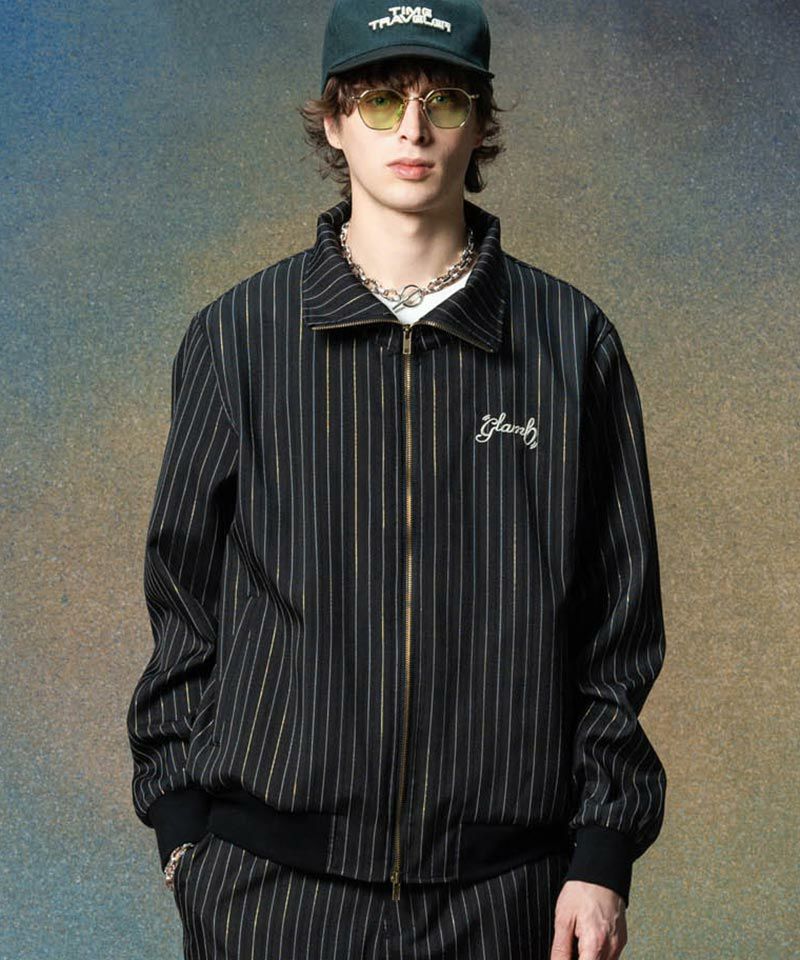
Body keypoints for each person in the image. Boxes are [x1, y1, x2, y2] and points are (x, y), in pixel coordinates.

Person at [126, 1, 667, 957]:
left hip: (506, 895)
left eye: (443, 101)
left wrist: (601, 856)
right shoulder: (239, 337)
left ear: (479, 124)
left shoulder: (570, 340)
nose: (412, 130)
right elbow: (184, 603)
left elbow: (617, 622)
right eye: (380, 101)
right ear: (336, 123)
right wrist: (182, 836)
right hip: (270, 893)